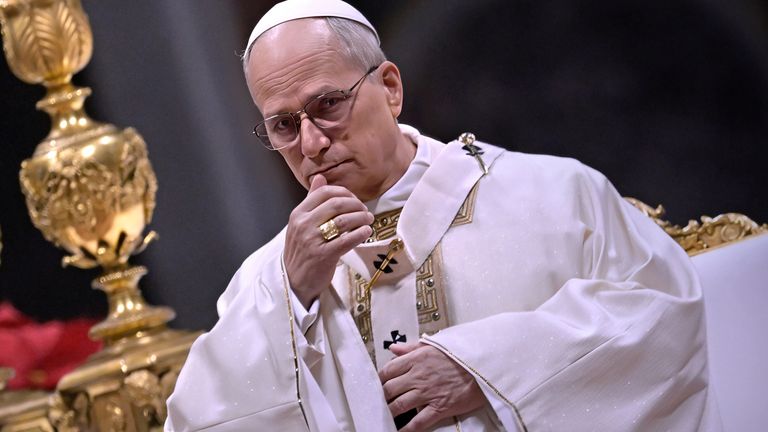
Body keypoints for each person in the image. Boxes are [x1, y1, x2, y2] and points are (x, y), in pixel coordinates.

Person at [165, 1, 719, 430]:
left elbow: (661, 318)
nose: (311, 143)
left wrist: (487, 371)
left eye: (328, 105)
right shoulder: (271, 281)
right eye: (284, 125)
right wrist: (293, 301)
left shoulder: (554, 195)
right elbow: (201, 418)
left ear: (390, 87)